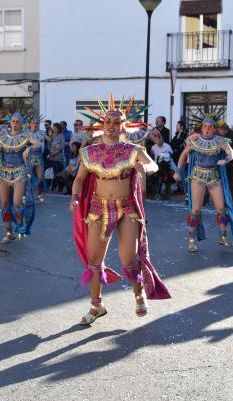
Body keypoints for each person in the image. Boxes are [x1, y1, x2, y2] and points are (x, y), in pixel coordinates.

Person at [70, 93, 170, 325]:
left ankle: (138, 293)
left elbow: (152, 164)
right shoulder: (89, 152)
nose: (113, 127)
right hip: (98, 208)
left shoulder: (134, 149)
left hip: (127, 209)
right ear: (102, 125)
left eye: (118, 123)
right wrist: (75, 198)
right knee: (94, 261)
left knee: (128, 259)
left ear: (125, 126)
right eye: (109, 122)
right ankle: (97, 305)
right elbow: (79, 179)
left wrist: (145, 169)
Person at [174, 112, 233, 252]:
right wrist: (177, 171)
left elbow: (232, 153)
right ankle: (191, 239)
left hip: (214, 177)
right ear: (202, 127)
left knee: (221, 208)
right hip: (198, 177)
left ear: (214, 128)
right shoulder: (194, 140)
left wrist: (226, 160)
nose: (207, 128)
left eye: (210, 126)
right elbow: (183, 154)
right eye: (205, 126)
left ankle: (222, 236)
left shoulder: (221, 141)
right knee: (196, 210)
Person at [0, 111, 41, 243]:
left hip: (19, 171)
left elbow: (38, 144)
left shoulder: (25, 136)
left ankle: (20, 225)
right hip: (4, 172)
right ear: (10, 123)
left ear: (22, 123)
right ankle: (8, 232)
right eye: (13, 121)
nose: (15, 124)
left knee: (17, 202)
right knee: (5, 204)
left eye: (18, 122)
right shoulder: (3, 136)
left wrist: (28, 149)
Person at [26, 113, 46, 202]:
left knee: (40, 178)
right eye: (33, 123)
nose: (35, 124)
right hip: (28, 157)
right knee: (28, 177)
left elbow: (49, 140)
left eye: (37, 123)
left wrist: (49, 135)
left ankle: (38, 194)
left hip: (39, 157)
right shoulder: (25, 133)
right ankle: (26, 194)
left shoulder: (42, 133)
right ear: (30, 124)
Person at [45, 122, 65, 190]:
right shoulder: (52, 135)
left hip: (58, 158)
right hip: (50, 157)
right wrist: (51, 151)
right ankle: (50, 186)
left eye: (55, 128)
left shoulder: (61, 136)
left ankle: (59, 186)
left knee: (57, 173)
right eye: (53, 127)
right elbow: (48, 144)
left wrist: (55, 152)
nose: (54, 129)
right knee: (47, 171)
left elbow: (62, 146)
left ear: (59, 129)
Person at [170, 120, 188, 194]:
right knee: (177, 172)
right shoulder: (176, 134)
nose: (176, 126)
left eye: (178, 125)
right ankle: (179, 187)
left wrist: (176, 143)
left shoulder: (184, 135)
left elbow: (179, 143)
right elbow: (172, 143)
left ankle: (182, 188)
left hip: (182, 156)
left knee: (181, 172)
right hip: (176, 156)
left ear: (182, 127)